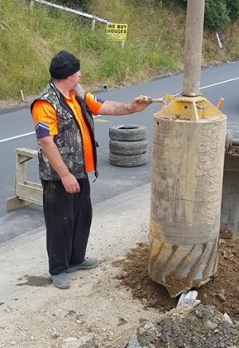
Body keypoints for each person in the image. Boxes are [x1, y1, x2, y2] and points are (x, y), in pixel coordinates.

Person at [31, 50, 152, 289]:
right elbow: (46, 141)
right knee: (60, 223)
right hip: (59, 177)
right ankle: (58, 269)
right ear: (67, 76)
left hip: (80, 170)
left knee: (81, 218)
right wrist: (64, 175)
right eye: (77, 73)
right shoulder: (45, 103)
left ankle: (76, 260)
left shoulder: (77, 94)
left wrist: (131, 107)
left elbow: (103, 107)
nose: (80, 75)